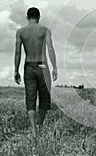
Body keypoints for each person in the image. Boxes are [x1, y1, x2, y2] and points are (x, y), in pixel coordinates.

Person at [14, 7, 58, 138]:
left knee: (30, 98)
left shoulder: (21, 32)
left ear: (27, 18)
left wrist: (16, 70)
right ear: (39, 17)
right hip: (43, 66)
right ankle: (40, 125)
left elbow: (17, 52)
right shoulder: (45, 30)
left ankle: (34, 131)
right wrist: (55, 67)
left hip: (28, 67)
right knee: (44, 97)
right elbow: (50, 48)